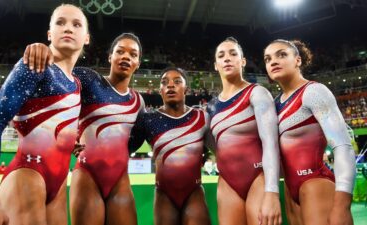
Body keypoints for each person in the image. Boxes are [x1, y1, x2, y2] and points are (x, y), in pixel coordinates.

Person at [0, 4, 89, 225]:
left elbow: (54, 120)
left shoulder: (76, 84)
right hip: (27, 175)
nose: (68, 28)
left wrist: (69, 140)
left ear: (86, 38)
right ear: (49, 34)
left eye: (76, 24)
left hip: (59, 186)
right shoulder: (37, 64)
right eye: (60, 22)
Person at [23, 32, 144, 225]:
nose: (126, 57)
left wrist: (119, 153)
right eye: (120, 51)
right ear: (110, 56)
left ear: (138, 63)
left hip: (120, 180)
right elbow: (56, 82)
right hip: (88, 175)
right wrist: (46, 54)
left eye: (133, 54)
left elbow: (137, 139)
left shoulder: (138, 101)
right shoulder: (89, 79)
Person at [263, 39, 356, 225]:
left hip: (316, 184)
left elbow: (343, 146)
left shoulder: (314, 92)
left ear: (298, 60)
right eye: (267, 59)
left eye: (282, 55)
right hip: (290, 190)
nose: (273, 61)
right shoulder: (273, 104)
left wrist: (342, 205)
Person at [206, 37, 281, 225]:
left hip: (258, 177)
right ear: (216, 65)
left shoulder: (257, 93)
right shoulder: (211, 107)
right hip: (227, 182)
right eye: (221, 56)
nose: (227, 58)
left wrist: (272, 192)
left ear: (243, 61)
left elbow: (271, 143)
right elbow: (215, 146)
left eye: (233, 54)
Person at [129, 67, 211, 225]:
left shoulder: (202, 117)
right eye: (165, 82)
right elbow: (124, 148)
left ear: (186, 89)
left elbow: (220, 148)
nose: (170, 85)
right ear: (160, 90)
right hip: (163, 195)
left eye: (177, 81)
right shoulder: (148, 120)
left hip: (194, 193)